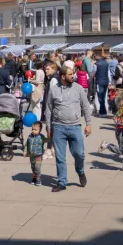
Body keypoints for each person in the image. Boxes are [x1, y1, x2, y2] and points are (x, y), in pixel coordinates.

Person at [44, 63, 92, 192]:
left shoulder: (78, 88)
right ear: (63, 76)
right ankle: (61, 182)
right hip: (58, 127)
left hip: (75, 127)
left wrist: (88, 124)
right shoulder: (54, 90)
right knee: (60, 157)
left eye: (73, 74)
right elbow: (48, 109)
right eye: (70, 74)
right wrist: (48, 127)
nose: (73, 76)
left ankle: (80, 171)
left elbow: (86, 106)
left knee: (79, 154)